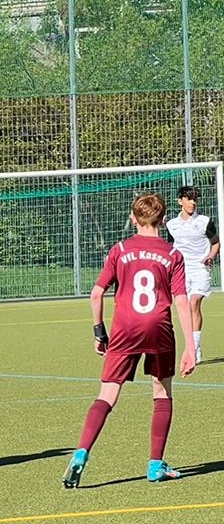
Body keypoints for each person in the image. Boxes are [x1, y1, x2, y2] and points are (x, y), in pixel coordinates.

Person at [63, 192, 197, 489]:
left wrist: (99, 332)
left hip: (125, 328)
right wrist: (191, 346)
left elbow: (96, 294)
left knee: (107, 394)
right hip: (159, 328)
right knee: (162, 393)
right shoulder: (173, 254)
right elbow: (181, 300)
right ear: (163, 220)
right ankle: (155, 465)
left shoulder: (120, 250)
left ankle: (82, 451)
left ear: (133, 219)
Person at [165, 184, 218, 361]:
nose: (193, 202)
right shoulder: (171, 225)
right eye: (189, 199)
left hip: (200, 269)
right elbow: (170, 248)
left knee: (194, 302)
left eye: (195, 199)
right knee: (185, 306)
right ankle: (191, 345)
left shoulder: (204, 221)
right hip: (180, 270)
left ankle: (195, 348)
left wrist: (211, 256)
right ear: (180, 201)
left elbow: (216, 243)